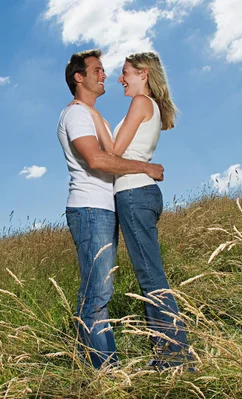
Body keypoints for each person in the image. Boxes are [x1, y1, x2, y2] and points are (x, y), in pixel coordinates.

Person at [72, 51, 192, 369]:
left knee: (151, 278)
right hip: (141, 194)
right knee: (151, 277)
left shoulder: (140, 103)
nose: (120, 78)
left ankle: (175, 358)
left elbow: (112, 151)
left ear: (143, 74)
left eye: (126, 72)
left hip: (134, 193)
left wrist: (90, 113)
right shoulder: (146, 106)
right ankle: (171, 356)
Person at [57, 49, 164, 369]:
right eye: (98, 70)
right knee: (97, 295)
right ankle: (106, 373)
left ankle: (96, 366)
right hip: (90, 209)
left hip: (105, 208)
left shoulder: (93, 116)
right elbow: (98, 160)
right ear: (80, 77)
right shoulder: (76, 115)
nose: (105, 75)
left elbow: (112, 153)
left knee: (98, 292)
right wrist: (145, 168)